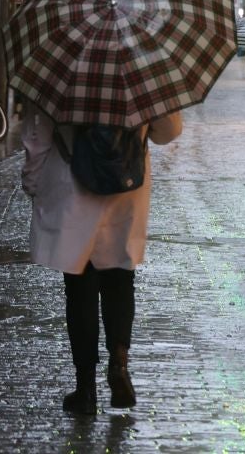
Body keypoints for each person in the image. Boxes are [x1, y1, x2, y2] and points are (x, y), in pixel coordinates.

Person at [21, 103, 183, 414]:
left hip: (73, 187)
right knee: (120, 279)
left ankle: (85, 388)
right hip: (126, 186)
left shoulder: (63, 68)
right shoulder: (140, 71)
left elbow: (37, 134)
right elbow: (169, 130)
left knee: (79, 287)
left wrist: (32, 182)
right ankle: (119, 363)